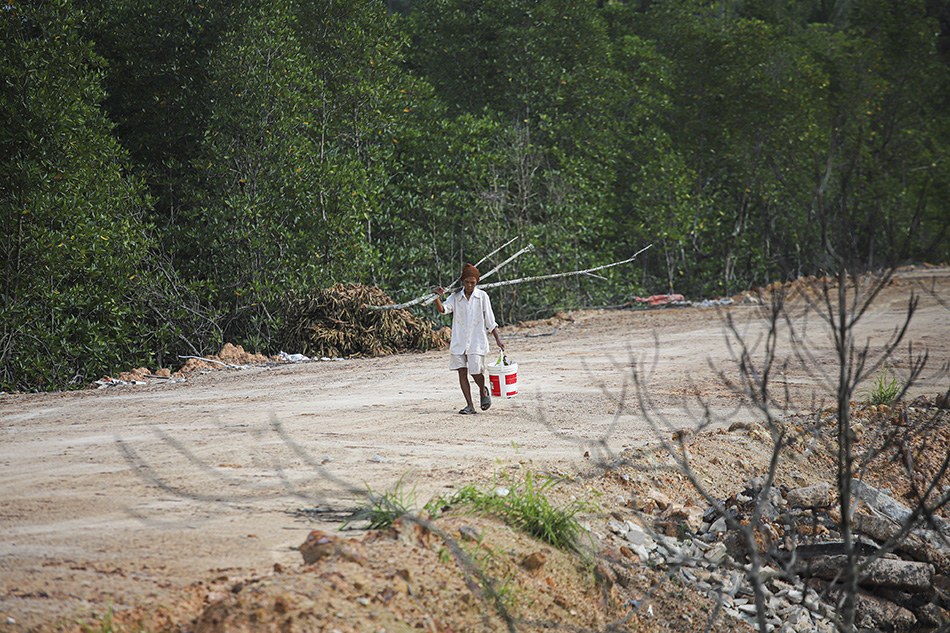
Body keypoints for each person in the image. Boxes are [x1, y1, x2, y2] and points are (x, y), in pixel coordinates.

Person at [434, 263, 505, 414]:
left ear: (477, 282)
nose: (469, 285)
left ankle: (482, 389)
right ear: (462, 282)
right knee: (462, 372)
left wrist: (498, 340)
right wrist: (436, 298)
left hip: (476, 342)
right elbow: (443, 310)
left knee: (475, 372)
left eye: (472, 283)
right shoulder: (455, 297)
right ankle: (470, 405)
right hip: (459, 341)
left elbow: (490, 321)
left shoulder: (482, 297)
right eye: (466, 282)